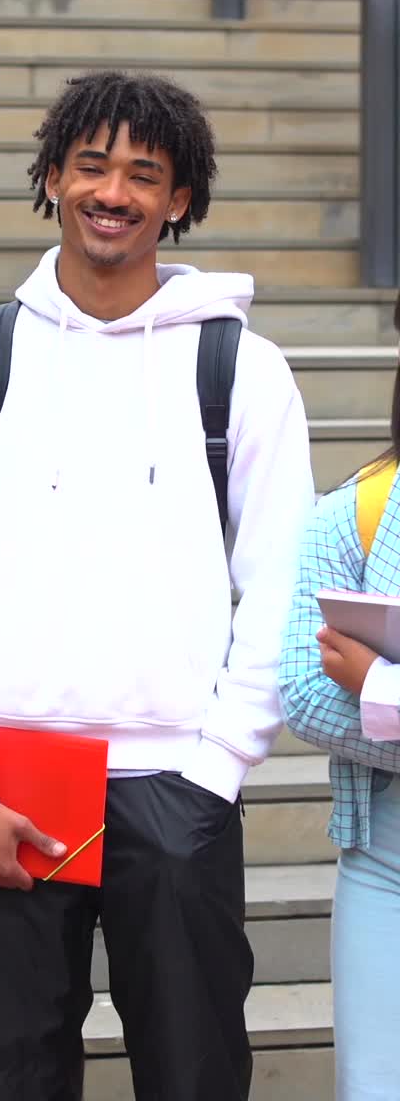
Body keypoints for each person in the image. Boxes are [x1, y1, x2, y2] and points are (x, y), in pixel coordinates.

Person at [0, 69, 315, 1101]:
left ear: (180, 199)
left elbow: (280, 584)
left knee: (193, 1075)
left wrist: (217, 770)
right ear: (52, 177)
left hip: (175, 783)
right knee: (2, 1081)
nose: (113, 192)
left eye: (145, 174)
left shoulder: (243, 370)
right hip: (11, 781)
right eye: (92, 166)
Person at [279, 292, 400, 1101]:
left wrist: (378, 684)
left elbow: (349, 689)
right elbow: (302, 691)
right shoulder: (354, 511)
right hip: (386, 866)